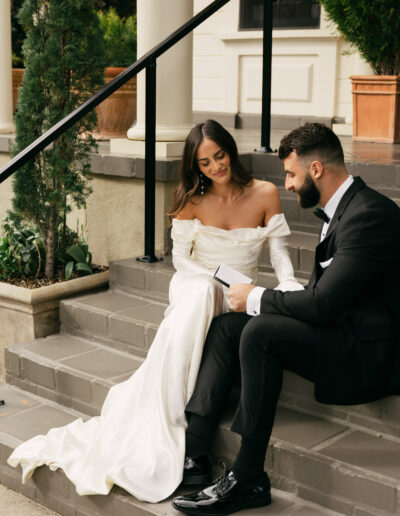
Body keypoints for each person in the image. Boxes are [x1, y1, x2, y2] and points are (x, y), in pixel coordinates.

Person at [7, 120, 303, 503]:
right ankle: (168, 413)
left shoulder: (264, 193)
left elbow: (279, 255)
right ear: (194, 166)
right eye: (205, 162)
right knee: (199, 294)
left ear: (230, 150)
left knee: (213, 307)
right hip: (197, 283)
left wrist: (288, 287)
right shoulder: (190, 200)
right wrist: (222, 280)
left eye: (220, 155)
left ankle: (190, 440)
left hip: (240, 297)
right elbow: (182, 261)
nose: (216, 167)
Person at [172, 122, 400, 516]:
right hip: (339, 327)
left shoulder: (370, 215)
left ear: (315, 170)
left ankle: (248, 478)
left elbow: (322, 305)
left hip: (366, 352)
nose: (288, 185)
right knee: (229, 327)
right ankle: (196, 448)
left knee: (260, 330)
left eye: (292, 175)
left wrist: (259, 296)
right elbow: (324, 300)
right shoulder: (344, 208)